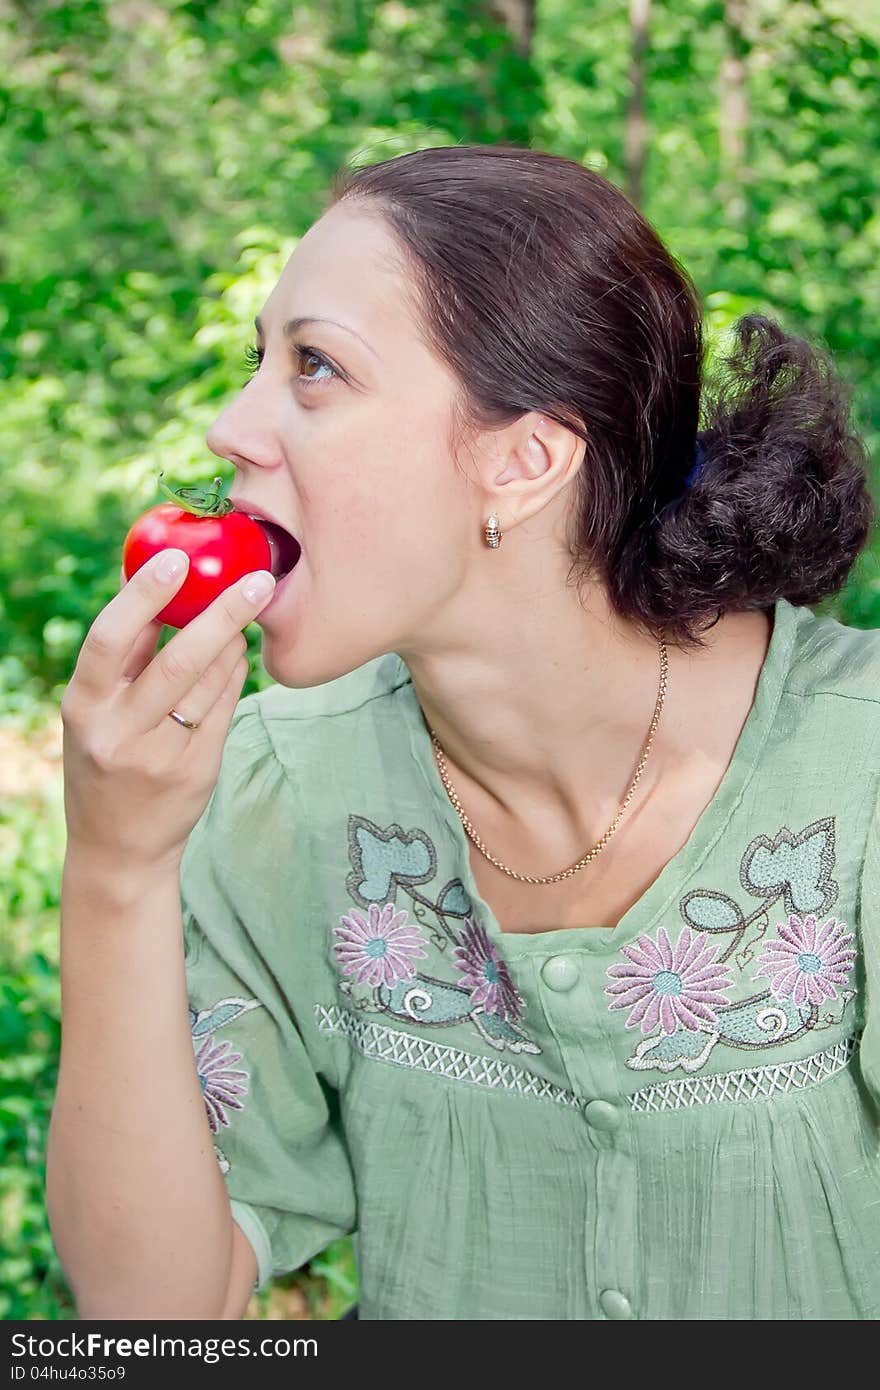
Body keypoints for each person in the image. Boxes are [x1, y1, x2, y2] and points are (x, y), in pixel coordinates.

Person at [48, 143, 880, 1321]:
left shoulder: (860, 765)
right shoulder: (282, 783)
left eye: (316, 367)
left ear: (524, 460)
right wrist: (117, 867)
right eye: (258, 363)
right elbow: (148, 1320)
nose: (235, 427)